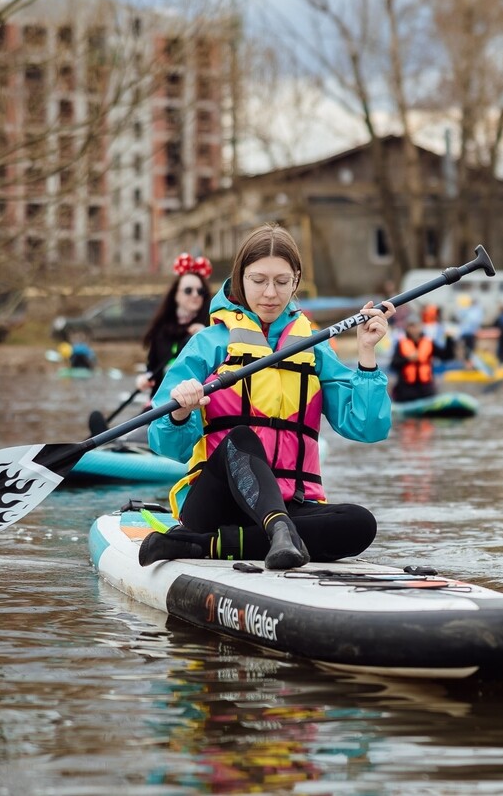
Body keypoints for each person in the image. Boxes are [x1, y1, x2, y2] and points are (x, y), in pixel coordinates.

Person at [139, 224, 394, 570]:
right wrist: (179, 413)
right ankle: (278, 531)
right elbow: (165, 444)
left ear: (296, 280)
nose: (270, 293)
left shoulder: (314, 347)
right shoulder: (208, 344)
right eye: (258, 280)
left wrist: (366, 355)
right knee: (240, 437)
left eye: (281, 281)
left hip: (293, 502)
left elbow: (368, 428)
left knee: (360, 523)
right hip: (216, 505)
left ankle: (208, 545)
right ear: (240, 279)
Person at [136, 253, 213, 397]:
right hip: (162, 400)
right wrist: (146, 378)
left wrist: (205, 337)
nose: (195, 295)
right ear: (176, 295)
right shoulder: (161, 329)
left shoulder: (211, 326)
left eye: (200, 291)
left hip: (196, 399)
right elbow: (152, 366)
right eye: (188, 290)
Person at [389, 311, 453, 403]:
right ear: (407, 328)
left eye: (417, 326)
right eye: (411, 326)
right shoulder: (401, 344)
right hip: (406, 389)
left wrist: (449, 339)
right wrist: (407, 359)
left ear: (421, 327)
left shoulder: (429, 342)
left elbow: (446, 356)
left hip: (426, 388)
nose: (414, 329)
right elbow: (393, 365)